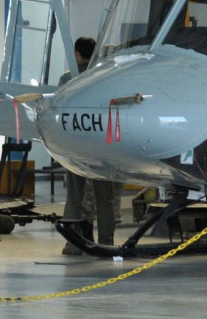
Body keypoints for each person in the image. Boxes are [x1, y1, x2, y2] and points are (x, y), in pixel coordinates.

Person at [58, 37, 119, 255]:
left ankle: (73, 242)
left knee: (74, 195)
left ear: (77, 54)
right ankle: (106, 241)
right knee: (105, 197)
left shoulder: (68, 78)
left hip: (75, 146)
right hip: (102, 146)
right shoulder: (106, 77)